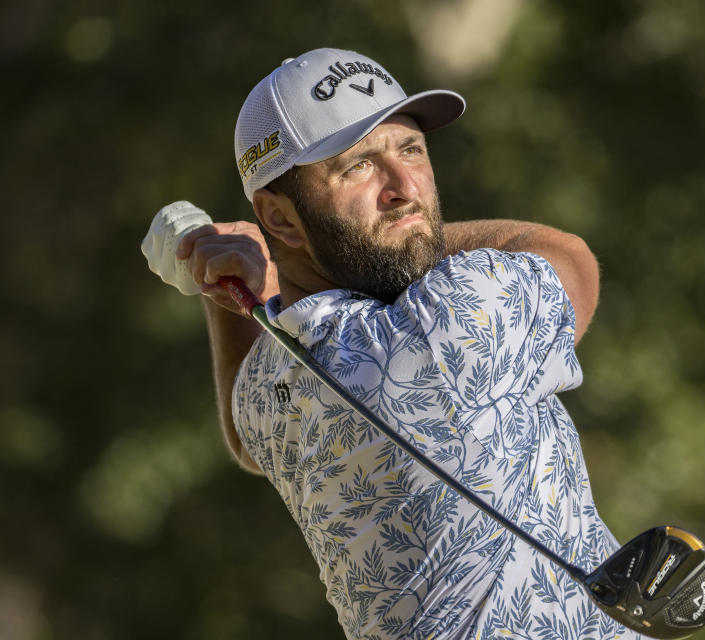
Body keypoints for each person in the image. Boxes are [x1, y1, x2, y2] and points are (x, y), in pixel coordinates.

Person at [146, 47, 644, 639]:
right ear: (278, 220)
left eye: (410, 149)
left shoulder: (268, 393)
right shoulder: (451, 319)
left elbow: (245, 434)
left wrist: (230, 289)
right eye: (357, 166)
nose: (405, 187)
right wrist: (402, 240)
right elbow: (569, 258)